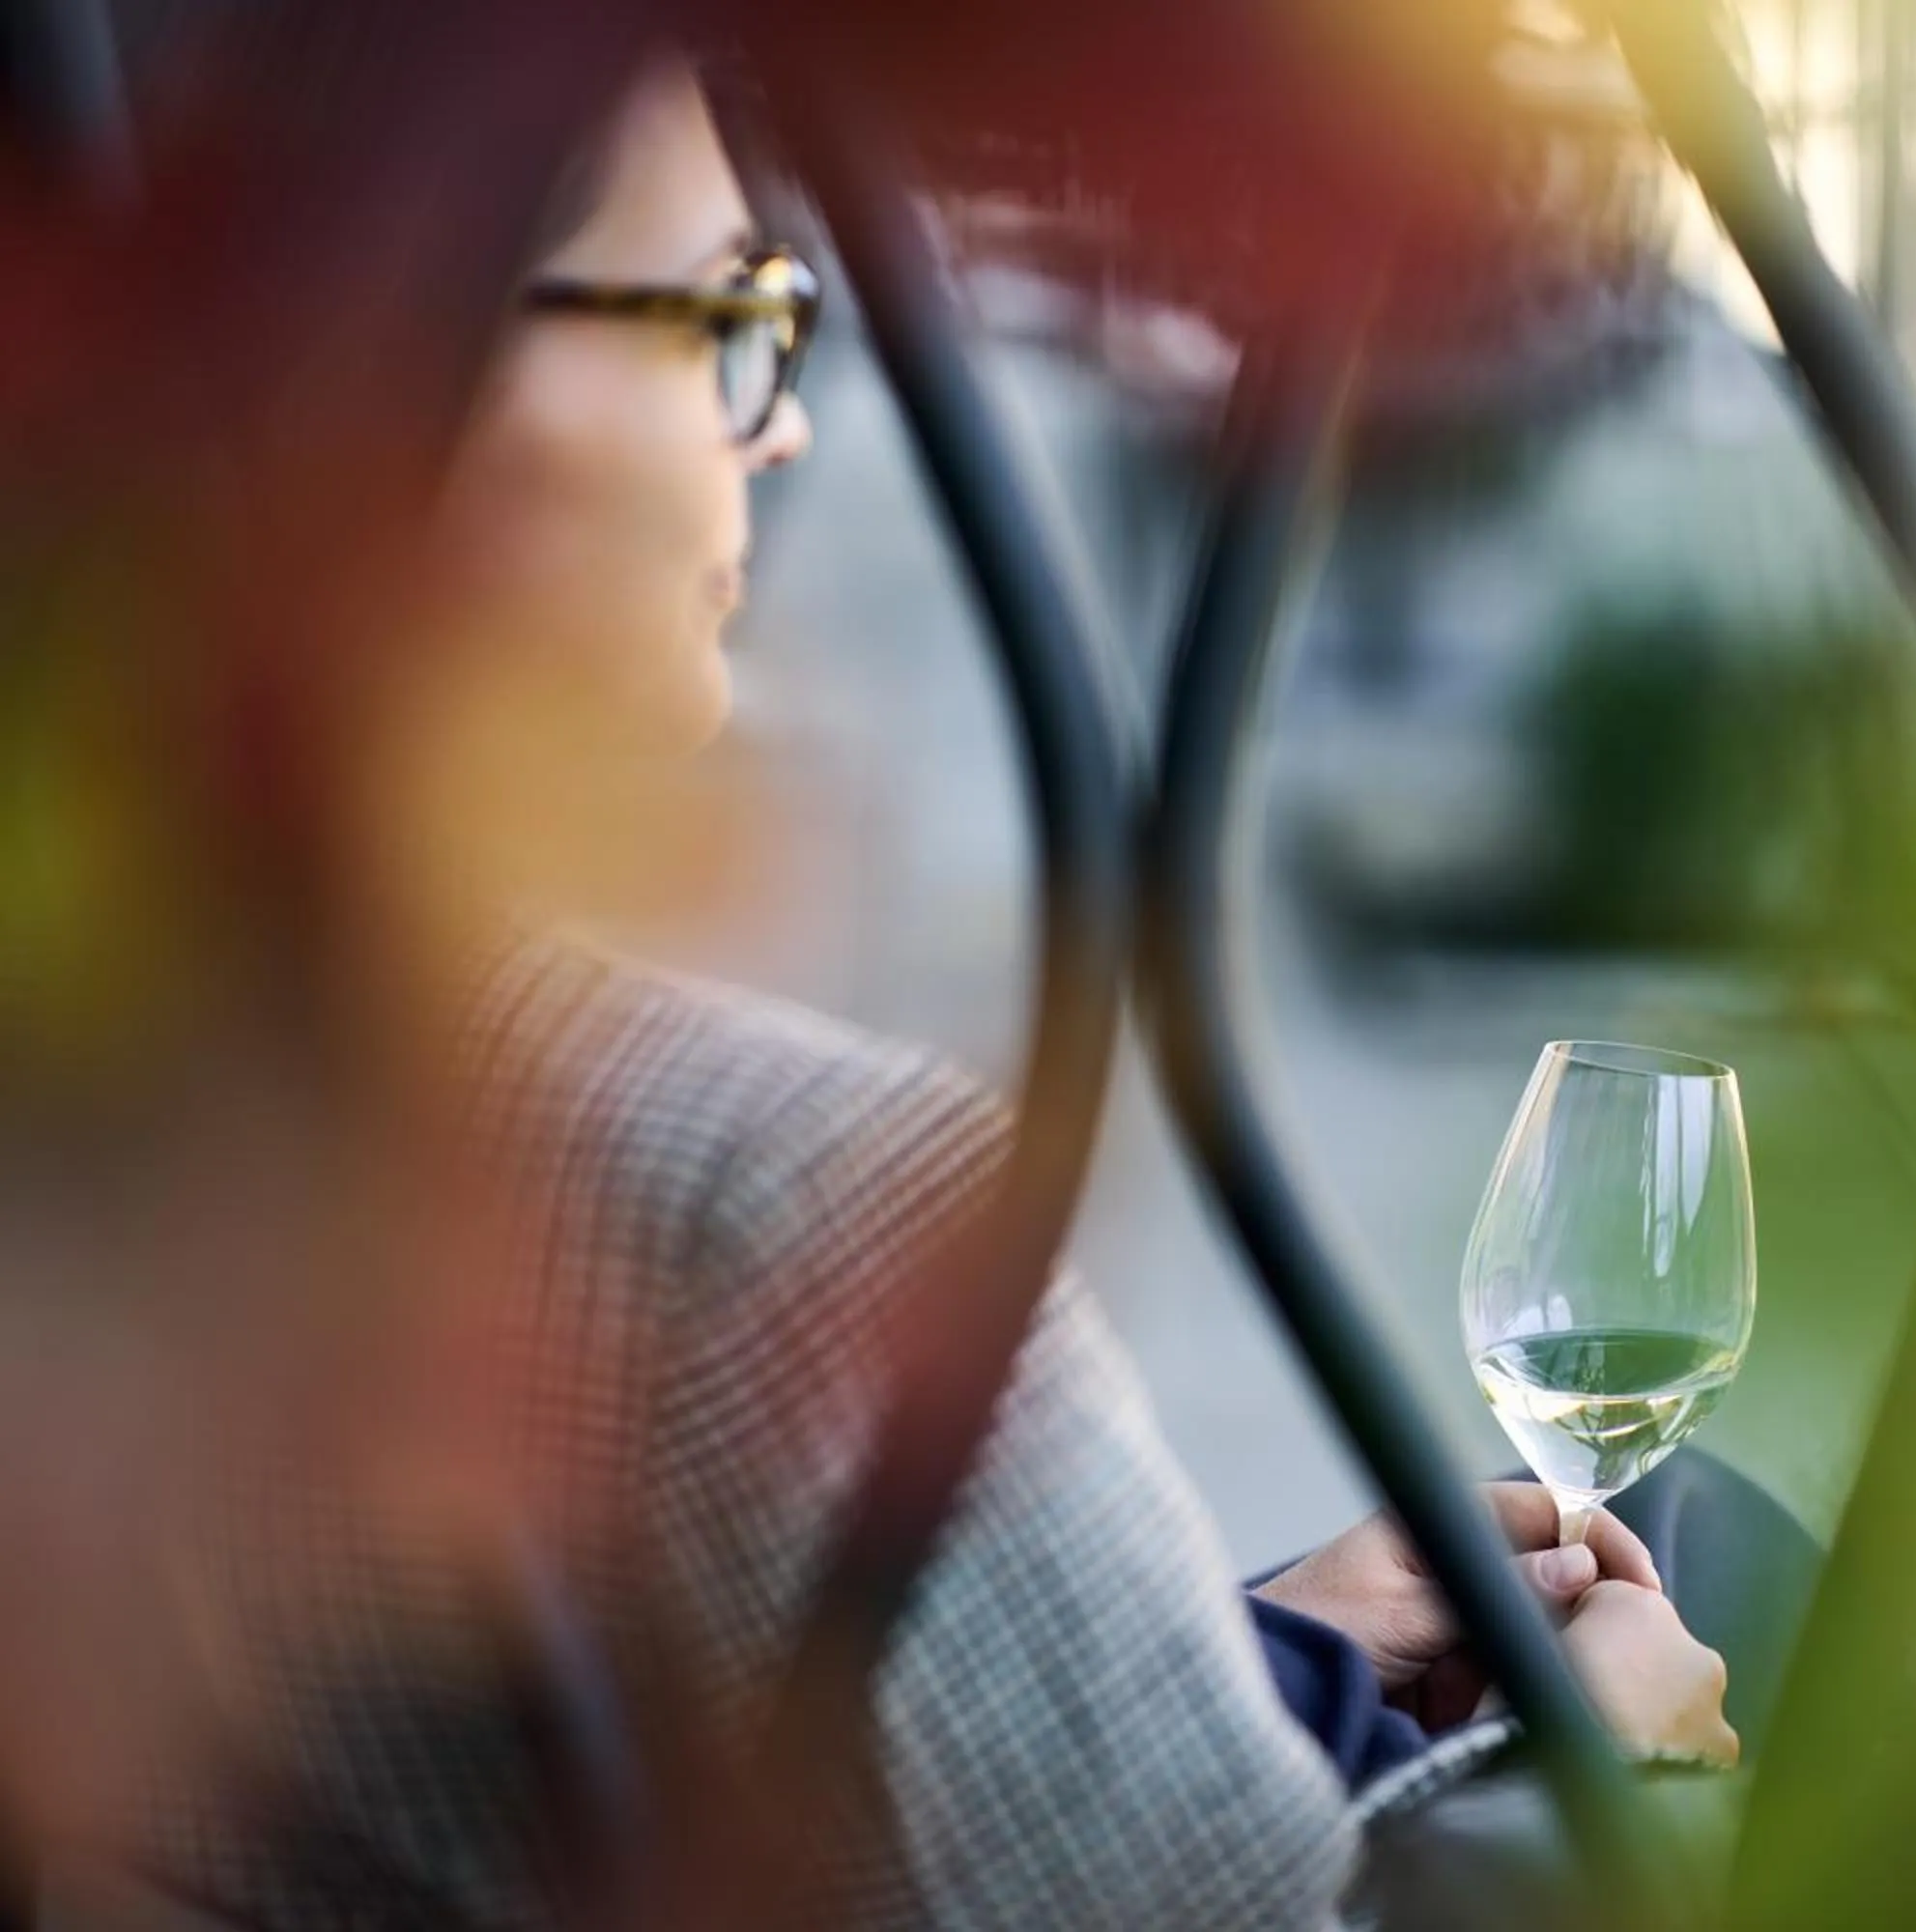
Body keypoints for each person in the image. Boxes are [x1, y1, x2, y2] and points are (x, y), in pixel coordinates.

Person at [94, 49, 1741, 1931]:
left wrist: (1246, 1655)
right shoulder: (775, 1194)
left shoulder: (123, 1125)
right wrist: (1601, 1789)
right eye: (724, 317)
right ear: (389, 364)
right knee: (1728, 1579)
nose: (775, 428)